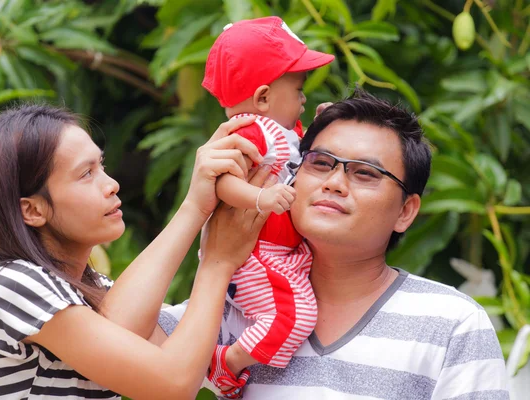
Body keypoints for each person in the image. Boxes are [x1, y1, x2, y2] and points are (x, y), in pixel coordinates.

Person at [155, 89, 510, 399]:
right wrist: (194, 211)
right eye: (321, 163)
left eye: (365, 173)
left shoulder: (452, 323)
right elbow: (110, 343)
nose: (335, 182)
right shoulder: (237, 304)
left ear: (406, 211)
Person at [0, 104, 272, 400]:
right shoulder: (14, 284)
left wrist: (199, 208)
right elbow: (174, 384)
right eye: (86, 174)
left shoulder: (94, 292)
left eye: (100, 165)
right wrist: (217, 261)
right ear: (33, 210)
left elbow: (129, 329)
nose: (110, 183)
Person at [200, 16, 335, 397]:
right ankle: (227, 362)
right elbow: (223, 181)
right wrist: (261, 198)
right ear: (262, 98)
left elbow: (296, 158)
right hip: (258, 255)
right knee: (296, 315)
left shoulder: (281, 131)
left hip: (277, 251)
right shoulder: (249, 132)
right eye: (299, 89)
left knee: (293, 307)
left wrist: (320, 126)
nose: (304, 99)